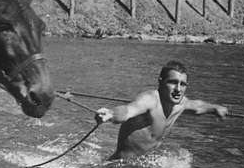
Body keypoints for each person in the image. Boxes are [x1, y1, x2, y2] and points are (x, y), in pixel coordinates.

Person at [94, 60, 228, 160]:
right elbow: (129, 110)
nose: (178, 89)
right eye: (173, 82)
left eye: (183, 84)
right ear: (161, 82)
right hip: (120, 167)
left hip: (143, 166)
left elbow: (197, 107)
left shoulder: (181, 104)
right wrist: (110, 114)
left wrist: (215, 108)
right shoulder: (150, 100)